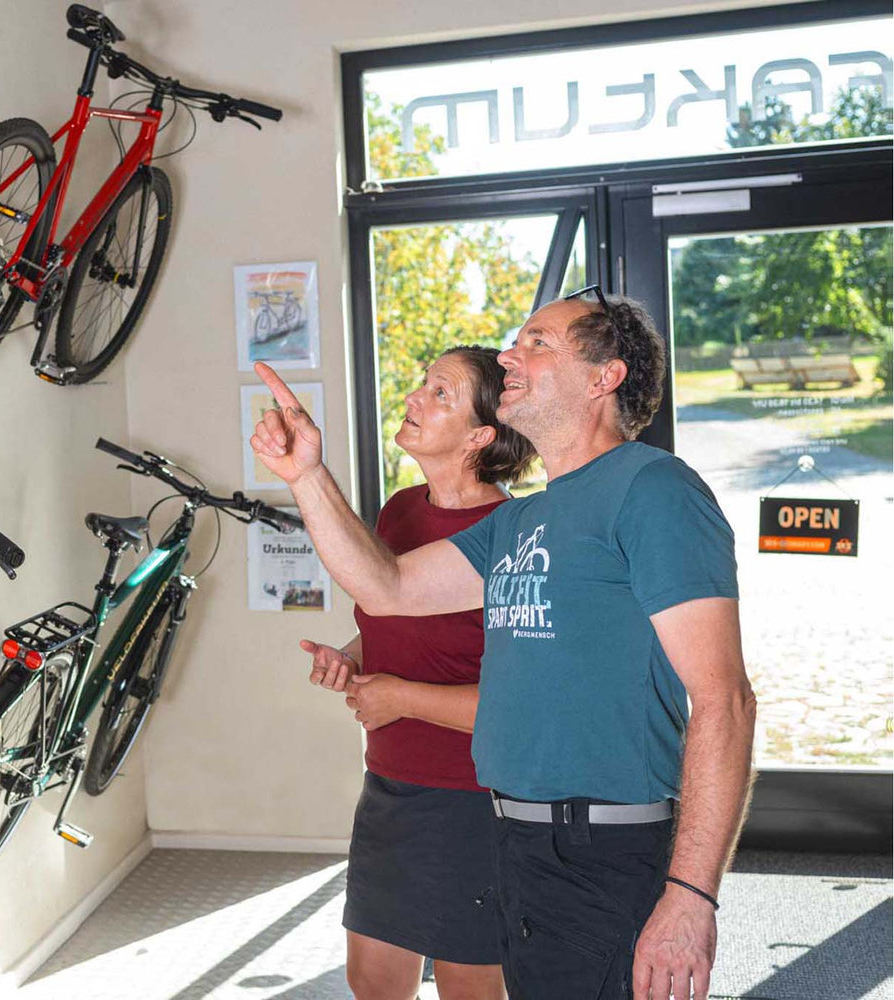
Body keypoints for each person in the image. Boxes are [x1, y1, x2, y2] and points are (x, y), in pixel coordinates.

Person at [251, 289, 756, 1000]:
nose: (512, 356)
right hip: (515, 840)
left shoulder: (653, 489)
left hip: (607, 850)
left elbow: (724, 700)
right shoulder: (525, 522)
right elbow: (387, 588)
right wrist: (306, 474)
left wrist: (691, 894)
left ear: (604, 377)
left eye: (539, 343)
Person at [302, 346, 535, 1000]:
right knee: (371, 980)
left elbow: (518, 703)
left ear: (480, 435)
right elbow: (399, 618)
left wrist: (400, 695)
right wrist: (354, 657)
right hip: (390, 786)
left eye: (440, 394)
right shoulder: (400, 511)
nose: (414, 398)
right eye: (422, 383)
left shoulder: (514, 534)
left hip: (476, 800)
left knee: (471, 987)